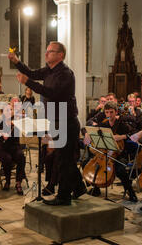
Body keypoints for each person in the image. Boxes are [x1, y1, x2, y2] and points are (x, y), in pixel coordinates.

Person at [9, 41, 86, 205]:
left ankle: (64, 197)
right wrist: (16, 61)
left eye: (50, 51)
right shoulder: (49, 70)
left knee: (63, 160)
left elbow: (52, 93)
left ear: (60, 55)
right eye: (47, 51)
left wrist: (27, 82)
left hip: (67, 120)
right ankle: (79, 187)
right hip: (56, 119)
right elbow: (32, 72)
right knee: (63, 158)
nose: (46, 54)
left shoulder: (65, 74)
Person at [84, 102, 138, 202]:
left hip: (119, 154)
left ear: (116, 112)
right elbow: (93, 129)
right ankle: (96, 189)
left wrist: (121, 136)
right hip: (104, 153)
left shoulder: (122, 124)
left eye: (111, 112)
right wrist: (87, 133)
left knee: (120, 170)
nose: (109, 115)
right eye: (107, 112)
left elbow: (134, 133)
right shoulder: (104, 124)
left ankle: (130, 191)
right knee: (86, 163)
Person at [0, 104, 26, 195]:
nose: (10, 111)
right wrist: (1, 135)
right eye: (7, 110)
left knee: (21, 156)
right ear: (3, 112)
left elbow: (17, 140)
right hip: (2, 148)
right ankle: (7, 181)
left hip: (14, 147)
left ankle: (18, 182)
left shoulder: (16, 123)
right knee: (7, 158)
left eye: (11, 109)